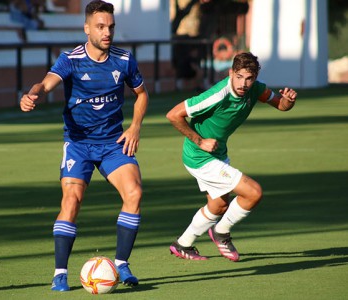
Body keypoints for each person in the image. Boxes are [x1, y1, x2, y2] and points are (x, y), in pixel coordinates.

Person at [20, 0, 149, 292]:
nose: (107, 32)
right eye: (101, 27)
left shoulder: (124, 59)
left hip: (113, 142)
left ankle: (121, 264)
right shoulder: (70, 58)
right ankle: (60, 273)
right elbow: (47, 82)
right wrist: (32, 93)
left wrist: (135, 126)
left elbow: (142, 94)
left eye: (111, 27)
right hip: (78, 144)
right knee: (72, 201)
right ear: (87, 28)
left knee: (134, 193)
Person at [166, 52, 297, 262]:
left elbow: (281, 105)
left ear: (255, 77)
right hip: (200, 157)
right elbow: (173, 115)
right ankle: (221, 233)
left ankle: (182, 244)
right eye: (239, 77)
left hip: (217, 155)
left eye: (249, 78)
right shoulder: (218, 94)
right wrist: (201, 141)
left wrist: (289, 101)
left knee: (219, 206)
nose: (243, 83)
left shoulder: (256, 89)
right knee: (253, 192)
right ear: (231, 73)